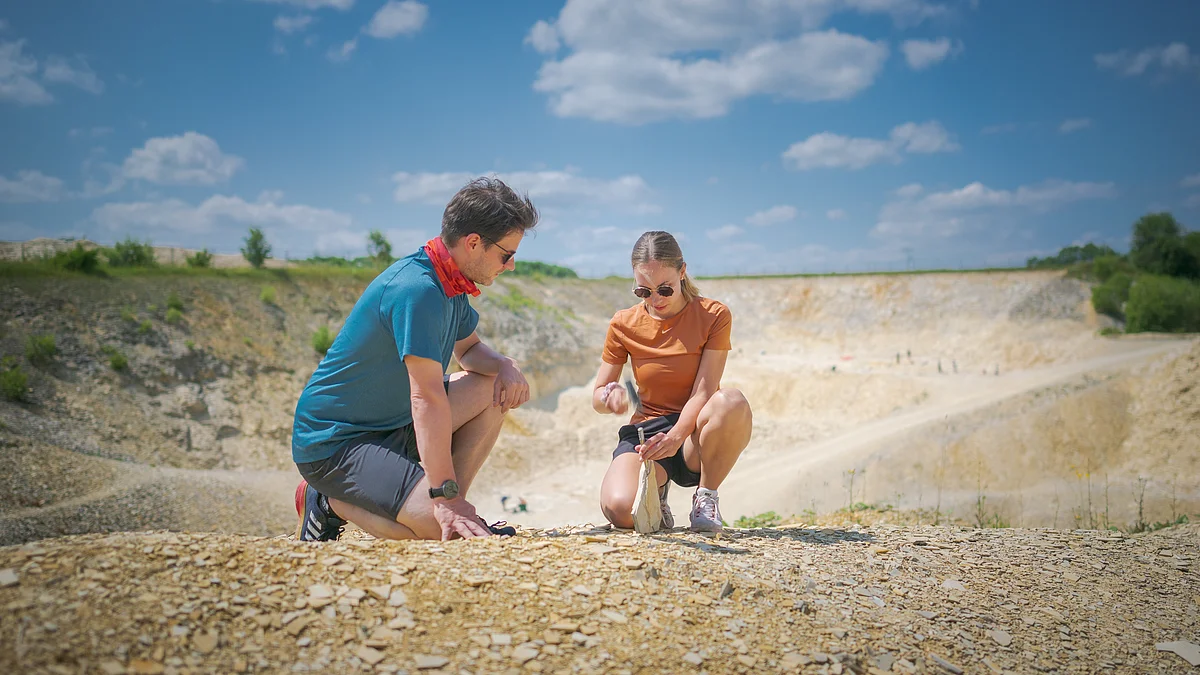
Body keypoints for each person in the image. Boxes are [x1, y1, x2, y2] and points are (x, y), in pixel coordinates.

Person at [291, 177, 538, 542]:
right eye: (507, 254)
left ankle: (449, 505)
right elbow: (426, 397)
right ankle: (328, 501)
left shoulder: (450, 282)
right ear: (473, 243)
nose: (512, 265)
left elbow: (468, 351)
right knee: (442, 537)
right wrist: (443, 496)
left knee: (492, 387)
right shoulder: (417, 289)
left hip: (394, 424)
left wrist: (503, 365)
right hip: (338, 442)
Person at [592, 231, 753, 533]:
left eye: (664, 290)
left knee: (731, 401)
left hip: (695, 430)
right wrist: (609, 397)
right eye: (643, 291)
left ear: (682, 272)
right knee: (619, 511)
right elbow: (598, 396)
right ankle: (658, 493)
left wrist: (677, 436)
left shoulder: (713, 315)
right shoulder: (623, 323)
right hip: (648, 432)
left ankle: (706, 496)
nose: (654, 300)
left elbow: (704, 391)